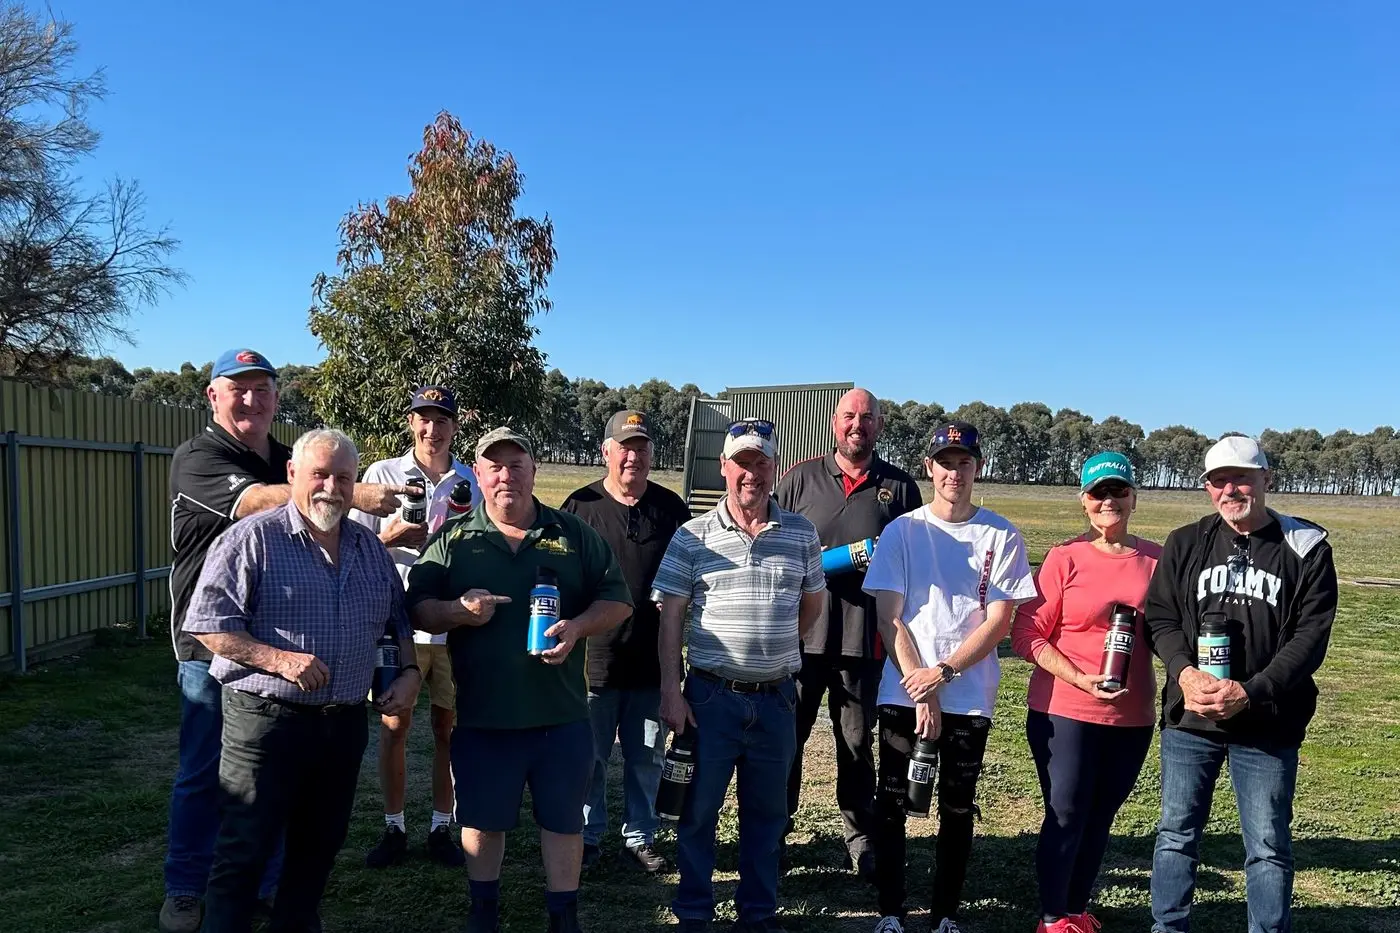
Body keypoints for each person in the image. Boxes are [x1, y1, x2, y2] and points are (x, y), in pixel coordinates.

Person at [160, 349, 406, 933]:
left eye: (262, 388)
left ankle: (277, 899)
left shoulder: (290, 464)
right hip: (218, 649)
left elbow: (392, 617)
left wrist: (405, 668)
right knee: (214, 784)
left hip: (332, 707)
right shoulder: (201, 459)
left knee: (304, 824)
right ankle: (186, 889)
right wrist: (354, 494)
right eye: (236, 388)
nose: (251, 399)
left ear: (276, 396)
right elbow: (256, 502)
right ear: (212, 396)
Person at [407, 426, 634, 933]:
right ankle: (483, 912)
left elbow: (618, 599)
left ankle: (563, 918)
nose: (506, 475)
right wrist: (457, 611)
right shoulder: (456, 541)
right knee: (482, 821)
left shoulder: (573, 534)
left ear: (534, 472)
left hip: (562, 717)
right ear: (479, 474)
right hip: (486, 716)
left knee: (563, 821)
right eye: (494, 466)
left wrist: (577, 628)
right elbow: (417, 608)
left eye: (517, 465)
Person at [1146, 435, 1338, 933]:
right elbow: (1161, 619)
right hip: (1191, 717)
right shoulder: (1186, 542)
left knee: (1268, 845)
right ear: (1208, 488)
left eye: (1242, 478)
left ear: (1266, 480)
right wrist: (1184, 674)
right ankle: (1167, 928)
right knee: (1175, 834)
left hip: (1267, 722)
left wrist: (1251, 692)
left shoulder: (1306, 547)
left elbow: (1310, 638)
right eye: (1219, 481)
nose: (1231, 489)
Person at [862, 421, 1038, 933]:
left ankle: (944, 915)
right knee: (893, 801)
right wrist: (919, 681)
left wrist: (942, 674)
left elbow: (999, 621)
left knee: (957, 807)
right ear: (929, 469)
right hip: (903, 689)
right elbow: (888, 616)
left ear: (977, 468)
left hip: (968, 695)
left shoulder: (1000, 534)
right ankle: (891, 913)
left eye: (964, 462)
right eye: (945, 462)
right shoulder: (903, 531)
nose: (954, 472)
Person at [654, 418, 828, 933]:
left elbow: (812, 603)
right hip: (710, 698)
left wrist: (773, 648)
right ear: (724, 467)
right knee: (698, 815)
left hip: (775, 701)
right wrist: (671, 688)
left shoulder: (800, 533)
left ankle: (757, 917)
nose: (751, 474)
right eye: (742, 463)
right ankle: (693, 915)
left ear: (774, 468)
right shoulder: (693, 536)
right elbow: (671, 618)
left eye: (761, 463)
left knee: (767, 819)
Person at [1010, 452, 1162, 933]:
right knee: (1066, 812)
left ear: (1134, 497)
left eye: (1118, 491)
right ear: (1084, 502)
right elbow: (1026, 635)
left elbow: (1172, 631)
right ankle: (1053, 917)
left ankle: (1077, 908)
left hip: (1131, 714)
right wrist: (1080, 677)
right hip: (1065, 709)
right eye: (1098, 493)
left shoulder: (1158, 560)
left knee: (1100, 816)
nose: (1108, 501)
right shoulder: (1064, 557)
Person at [775, 388, 921, 878]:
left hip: (863, 643)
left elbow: (912, 568)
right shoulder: (800, 478)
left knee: (856, 747)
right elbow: (773, 545)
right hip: (798, 640)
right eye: (849, 416)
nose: (858, 424)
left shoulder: (899, 488)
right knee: (785, 742)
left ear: (880, 425)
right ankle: (774, 833)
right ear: (834, 423)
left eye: (868, 417)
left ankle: (860, 840)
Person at [351, 385, 481, 869]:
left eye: (442, 420)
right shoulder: (382, 475)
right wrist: (390, 537)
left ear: (453, 426)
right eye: (423, 419)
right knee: (394, 727)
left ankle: (440, 827)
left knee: (448, 729)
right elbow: (353, 551)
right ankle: (394, 827)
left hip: (450, 626)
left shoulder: (469, 479)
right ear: (411, 423)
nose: (432, 429)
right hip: (395, 626)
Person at [560, 410, 692, 873]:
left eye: (641, 448)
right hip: (592, 659)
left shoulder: (671, 508)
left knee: (645, 758)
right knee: (590, 758)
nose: (632, 456)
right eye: (624, 447)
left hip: (652, 660)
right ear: (606, 452)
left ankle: (639, 836)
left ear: (652, 455)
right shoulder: (578, 507)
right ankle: (588, 835)